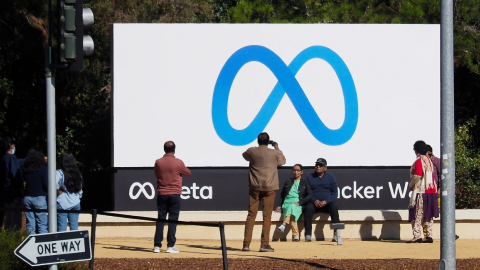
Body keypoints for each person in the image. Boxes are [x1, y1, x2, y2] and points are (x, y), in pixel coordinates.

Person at [242, 132, 286, 252]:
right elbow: (282, 162)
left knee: (251, 215)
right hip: (270, 188)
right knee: (267, 216)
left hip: (255, 187)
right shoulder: (274, 152)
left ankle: (246, 244)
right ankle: (264, 244)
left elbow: (244, 156)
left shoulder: (252, 151)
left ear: (258, 141)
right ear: (268, 141)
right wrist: (276, 147)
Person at [153, 141, 191, 254]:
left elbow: (156, 175)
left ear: (164, 149)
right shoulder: (178, 163)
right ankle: (170, 245)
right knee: (173, 220)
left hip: (162, 194)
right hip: (174, 194)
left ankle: (157, 246)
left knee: (160, 219)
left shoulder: (158, 162)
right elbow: (188, 173)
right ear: (174, 149)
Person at [407, 140, 439, 243]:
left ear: (416, 150)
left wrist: (411, 184)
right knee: (428, 214)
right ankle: (428, 235)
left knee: (418, 213)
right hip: (431, 190)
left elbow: (418, 175)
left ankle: (417, 235)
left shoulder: (419, 161)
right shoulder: (429, 160)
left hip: (421, 191)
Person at [304, 158, 340, 242]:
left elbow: (335, 193)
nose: (317, 167)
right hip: (314, 204)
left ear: (325, 168)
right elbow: (307, 193)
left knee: (334, 206)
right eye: (316, 165)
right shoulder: (309, 177)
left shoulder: (331, 177)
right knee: (308, 208)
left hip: (326, 204)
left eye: (320, 165)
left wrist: (326, 201)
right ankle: (308, 235)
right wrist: (314, 200)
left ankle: (336, 234)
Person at [275, 164, 312, 241]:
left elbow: (310, 194)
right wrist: (279, 205)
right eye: (294, 170)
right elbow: (282, 195)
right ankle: (296, 236)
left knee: (292, 209)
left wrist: (300, 202)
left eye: (298, 170)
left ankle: (284, 225)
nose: (296, 172)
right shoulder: (288, 181)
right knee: (292, 212)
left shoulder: (304, 182)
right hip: (286, 203)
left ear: (301, 172)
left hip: (298, 204)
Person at [22, 147, 48, 235]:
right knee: (42, 225)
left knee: (30, 224)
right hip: (39, 197)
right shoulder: (42, 168)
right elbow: (46, 183)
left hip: (27, 197)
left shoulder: (26, 168)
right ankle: (43, 244)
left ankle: (30, 244)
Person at [0, 137, 24, 230]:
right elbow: (15, 175)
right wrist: (21, 191)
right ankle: (15, 240)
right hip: (14, 194)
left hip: (5, 193)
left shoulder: (3, 158)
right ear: (11, 146)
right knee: (15, 220)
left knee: (8, 219)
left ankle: (8, 239)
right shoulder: (11, 158)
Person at [56, 152, 83, 232]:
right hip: (75, 203)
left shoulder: (59, 172)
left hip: (62, 203)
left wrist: (60, 190)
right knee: (74, 228)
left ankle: (62, 244)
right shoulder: (78, 174)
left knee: (62, 229)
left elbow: (53, 185)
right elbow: (80, 190)